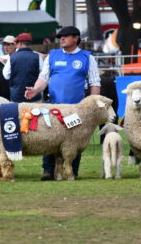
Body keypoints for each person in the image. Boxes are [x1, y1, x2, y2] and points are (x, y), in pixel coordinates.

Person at [25, 26, 101, 180]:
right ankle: (48, 170)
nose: (62, 39)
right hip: (53, 108)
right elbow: (44, 77)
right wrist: (35, 89)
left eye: (65, 36)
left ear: (76, 38)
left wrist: (93, 105)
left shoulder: (87, 57)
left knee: (74, 140)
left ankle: (72, 170)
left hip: (76, 109)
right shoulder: (53, 55)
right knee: (49, 138)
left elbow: (94, 82)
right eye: (60, 37)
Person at [3, 32, 43, 102]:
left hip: (16, 97)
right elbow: (43, 76)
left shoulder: (12, 57)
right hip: (34, 97)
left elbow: (6, 75)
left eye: (17, 43)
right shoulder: (37, 56)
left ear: (20, 43)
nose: (17, 45)